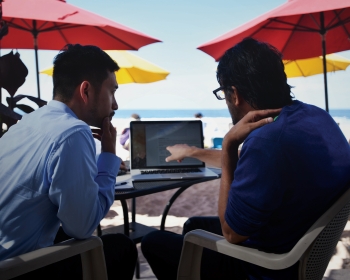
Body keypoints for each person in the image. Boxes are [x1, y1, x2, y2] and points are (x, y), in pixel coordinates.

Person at [141, 38, 350, 280]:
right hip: (297, 248)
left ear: (235, 94)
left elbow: (231, 233)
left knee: (153, 241)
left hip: (266, 267)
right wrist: (192, 152)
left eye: (223, 93)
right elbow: (257, 161)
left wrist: (229, 143)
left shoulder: (267, 141)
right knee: (193, 226)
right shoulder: (315, 116)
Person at [0, 44, 137, 279]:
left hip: (6, 252)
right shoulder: (72, 132)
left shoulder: (27, 123)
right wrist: (108, 155)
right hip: (18, 269)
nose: (115, 105)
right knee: (121, 247)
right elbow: (82, 226)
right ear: (86, 90)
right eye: (112, 92)